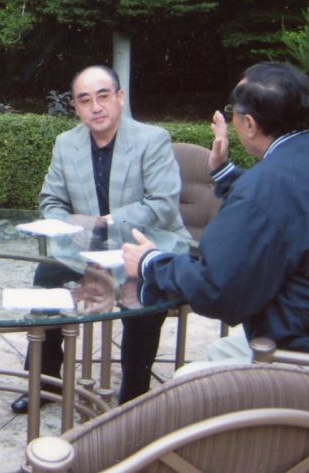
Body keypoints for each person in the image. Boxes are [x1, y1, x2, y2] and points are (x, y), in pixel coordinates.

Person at [122, 62, 309, 408]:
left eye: (233, 113)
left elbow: (217, 289)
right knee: (221, 351)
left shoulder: (265, 186)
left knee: (186, 390)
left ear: (249, 124)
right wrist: (224, 173)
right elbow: (289, 206)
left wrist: (151, 263)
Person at [11, 65, 191, 414]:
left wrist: (102, 222)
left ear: (120, 98)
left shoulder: (152, 140)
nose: (95, 107)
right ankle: (44, 382)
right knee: (47, 276)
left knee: (141, 297)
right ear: (76, 107)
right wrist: (71, 225)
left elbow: (162, 205)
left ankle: (134, 397)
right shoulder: (67, 144)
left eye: (103, 96)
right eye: (85, 100)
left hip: (143, 248)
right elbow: (51, 201)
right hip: (88, 252)